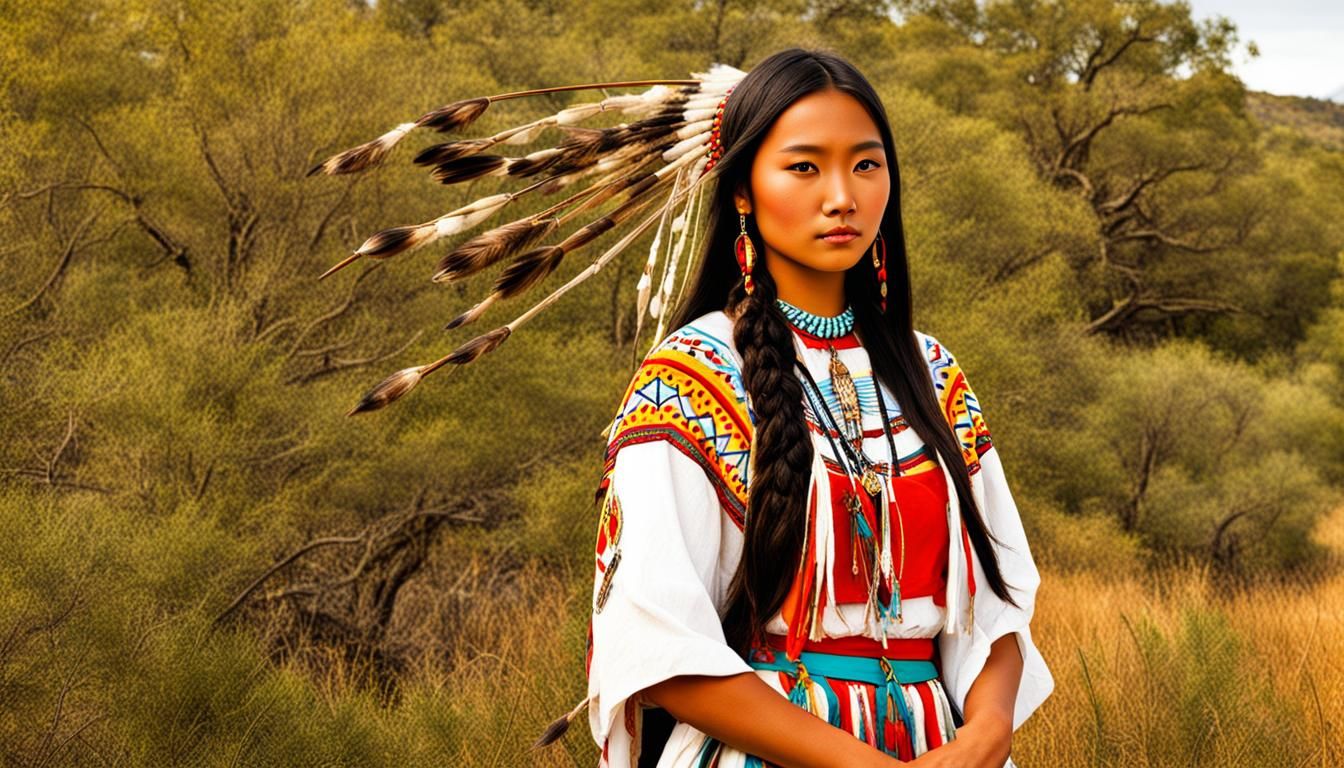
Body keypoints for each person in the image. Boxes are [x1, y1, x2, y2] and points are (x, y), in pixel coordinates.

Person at [581, 49, 1053, 768]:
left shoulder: (931, 371)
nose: (843, 196)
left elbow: (994, 605)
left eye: (867, 165)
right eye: (804, 167)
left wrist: (986, 734)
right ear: (743, 188)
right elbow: (661, 643)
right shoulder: (692, 376)